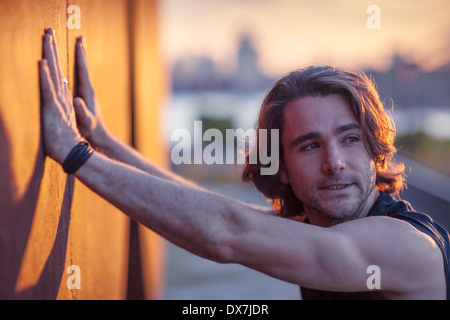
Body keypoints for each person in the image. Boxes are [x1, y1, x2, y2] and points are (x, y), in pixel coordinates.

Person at [39, 28, 449, 300]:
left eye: (350, 139)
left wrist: (76, 155)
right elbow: (212, 209)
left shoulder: (405, 246)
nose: (334, 163)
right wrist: (103, 142)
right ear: (281, 166)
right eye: (309, 146)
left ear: (375, 149)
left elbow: (228, 233)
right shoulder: (322, 225)